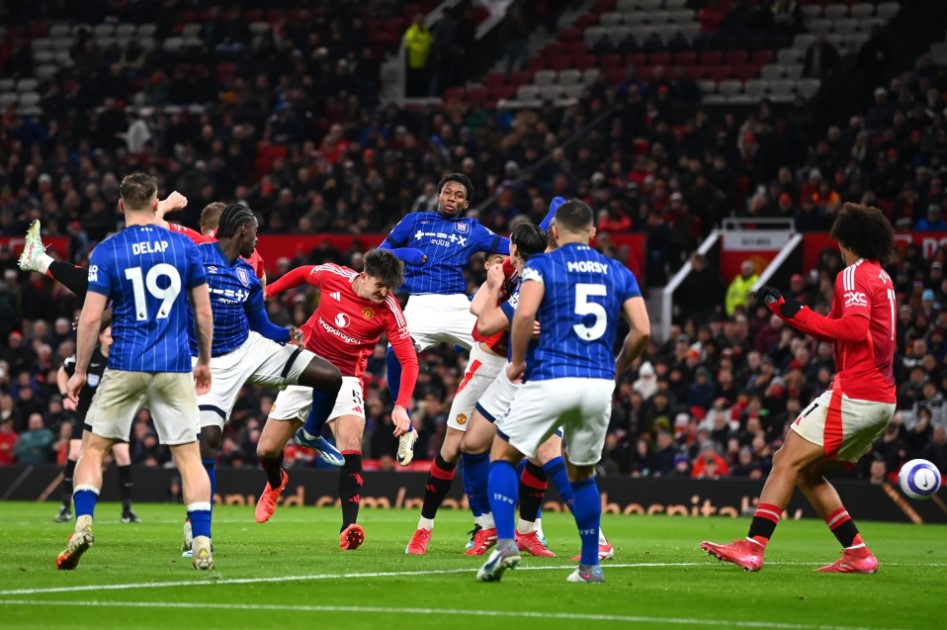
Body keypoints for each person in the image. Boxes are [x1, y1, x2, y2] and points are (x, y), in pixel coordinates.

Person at [701, 203, 898, 574]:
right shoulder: (881, 277)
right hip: (882, 397)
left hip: (857, 390)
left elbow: (854, 329)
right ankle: (857, 552)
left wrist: (794, 312)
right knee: (807, 473)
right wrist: (788, 309)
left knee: (785, 459)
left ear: (846, 241)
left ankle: (753, 546)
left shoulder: (853, 275)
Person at [476, 199, 651, 583]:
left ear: (554, 232)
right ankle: (590, 565)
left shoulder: (542, 265)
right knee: (582, 474)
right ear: (593, 234)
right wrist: (618, 368)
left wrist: (518, 360)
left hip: (551, 375)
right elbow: (643, 331)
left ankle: (506, 545)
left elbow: (523, 315)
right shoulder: (618, 271)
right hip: (598, 383)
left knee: (502, 455)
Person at [56, 172, 216, 570]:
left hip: (125, 362)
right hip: (174, 364)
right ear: (157, 199)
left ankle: (84, 524)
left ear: (121, 204)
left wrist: (77, 371)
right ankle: (201, 540)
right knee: (189, 458)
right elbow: (202, 311)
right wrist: (205, 361)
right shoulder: (184, 247)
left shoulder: (108, 251)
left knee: (93, 449)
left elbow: (91, 320)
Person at [178, 203, 343, 556]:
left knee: (329, 377)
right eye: (255, 231)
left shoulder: (246, 275)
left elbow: (262, 326)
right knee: (208, 441)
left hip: (248, 347)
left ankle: (311, 433)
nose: (258, 238)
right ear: (241, 231)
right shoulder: (193, 257)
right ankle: (198, 532)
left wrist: (289, 334)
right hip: (207, 361)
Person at [456, 221, 616, 562]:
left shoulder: (530, 280)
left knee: (548, 456)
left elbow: (482, 326)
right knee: (471, 444)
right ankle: (495, 527)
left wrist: (497, 286)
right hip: (520, 375)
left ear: (513, 246)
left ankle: (597, 539)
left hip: (541, 376)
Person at [254, 249, 417, 550]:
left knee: (350, 443)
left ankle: (348, 527)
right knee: (266, 449)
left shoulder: (389, 309)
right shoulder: (334, 276)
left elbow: (409, 360)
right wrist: (269, 291)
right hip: (306, 367)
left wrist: (401, 405)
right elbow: (302, 272)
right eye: (380, 285)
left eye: (390, 288)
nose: (385, 293)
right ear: (364, 276)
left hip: (346, 378)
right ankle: (276, 481)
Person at [378, 173, 509, 499]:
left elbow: (515, 247)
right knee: (396, 351)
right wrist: (402, 255)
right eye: (447, 192)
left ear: (466, 202)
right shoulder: (414, 221)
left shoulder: (473, 229)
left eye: (458, 195)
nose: (451, 198)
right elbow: (377, 255)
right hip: (419, 304)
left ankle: (518, 406)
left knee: (501, 346)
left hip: (456, 306)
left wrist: (550, 236)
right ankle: (403, 417)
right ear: (438, 195)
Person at [55, 322, 141, 524]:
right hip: (86, 413)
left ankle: (127, 510)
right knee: (75, 452)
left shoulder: (122, 356)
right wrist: (64, 396)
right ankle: (65, 507)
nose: (112, 340)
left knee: (122, 455)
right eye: (109, 336)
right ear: (101, 337)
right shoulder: (89, 356)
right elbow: (62, 371)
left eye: (115, 336)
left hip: (115, 414)